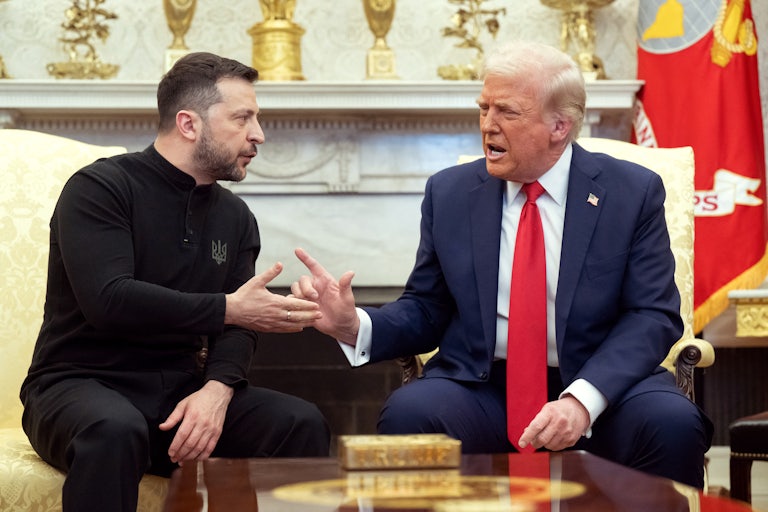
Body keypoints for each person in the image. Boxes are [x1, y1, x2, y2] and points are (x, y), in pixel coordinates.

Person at [291, 41, 712, 488]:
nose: (487, 125)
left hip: (606, 384)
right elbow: (427, 307)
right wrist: (353, 326)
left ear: (559, 126)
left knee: (671, 424)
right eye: (483, 108)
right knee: (410, 413)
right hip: (484, 384)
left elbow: (652, 314)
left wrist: (582, 400)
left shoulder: (632, 192)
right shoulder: (450, 193)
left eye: (506, 112)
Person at [20, 52, 330, 512]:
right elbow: (109, 299)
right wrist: (228, 308)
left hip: (179, 395)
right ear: (189, 124)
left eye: (257, 118)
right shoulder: (100, 188)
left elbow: (237, 325)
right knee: (114, 428)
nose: (258, 134)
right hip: (77, 386)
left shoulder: (235, 217)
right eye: (243, 118)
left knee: (298, 421)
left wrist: (217, 390)